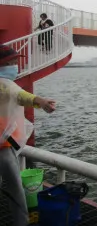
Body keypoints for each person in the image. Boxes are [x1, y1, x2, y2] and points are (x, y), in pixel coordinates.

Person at [0, 44, 56, 226]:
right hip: (4, 148)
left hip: (6, 146)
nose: (16, 65)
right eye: (12, 62)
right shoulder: (5, 84)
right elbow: (21, 95)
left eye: (16, 61)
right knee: (16, 192)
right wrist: (40, 101)